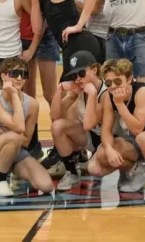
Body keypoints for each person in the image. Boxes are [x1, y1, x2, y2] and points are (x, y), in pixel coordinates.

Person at [87, 59, 145, 202]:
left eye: (118, 82)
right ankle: (141, 171)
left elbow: (138, 129)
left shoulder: (142, 92)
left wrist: (119, 104)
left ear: (129, 79)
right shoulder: (108, 96)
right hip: (138, 142)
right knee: (95, 165)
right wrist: (109, 149)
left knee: (144, 138)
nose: (113, 87)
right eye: (108, 83)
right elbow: (106, 131)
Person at [11, 0, 59, 161]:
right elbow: (12, 0)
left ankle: (62, 145)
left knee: (51, 94)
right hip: (23, 35)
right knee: (27, 96)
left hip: (46, 35)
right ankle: (32, 144)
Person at [0, 57, 54, 197]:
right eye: (14, 73)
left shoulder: (32, 104)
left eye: (23, 74)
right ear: (3, 76)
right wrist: (13, 94)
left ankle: (11, 170)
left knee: (46, 185)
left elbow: (25, 141)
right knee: (15, 136)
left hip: (17, 149)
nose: (19, 78)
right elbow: (19, 128)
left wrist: (5, 132)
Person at [49, 50, 108, 190]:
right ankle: (72, 173)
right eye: (74, 75)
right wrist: (59, 90)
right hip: (93, 138)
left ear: (94, 69)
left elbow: (88, 125)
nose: (78, 79)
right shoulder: (80, 90)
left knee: (95, 169)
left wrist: (93, 95)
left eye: (81, 73)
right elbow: (54, 116)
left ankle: (135, 168)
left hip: (110, 140)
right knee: (58, 126)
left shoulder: (105, 92)